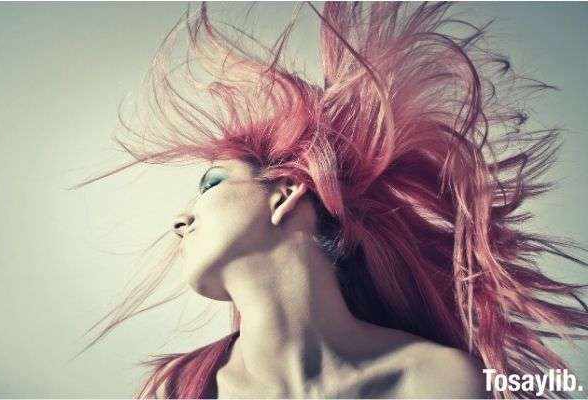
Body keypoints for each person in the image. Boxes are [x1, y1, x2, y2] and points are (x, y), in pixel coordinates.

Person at [71, 2, 588, 399]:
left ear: (285, 193)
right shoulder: (180, 387)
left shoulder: (434, 380)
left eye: (210, 184)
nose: (179, 221)